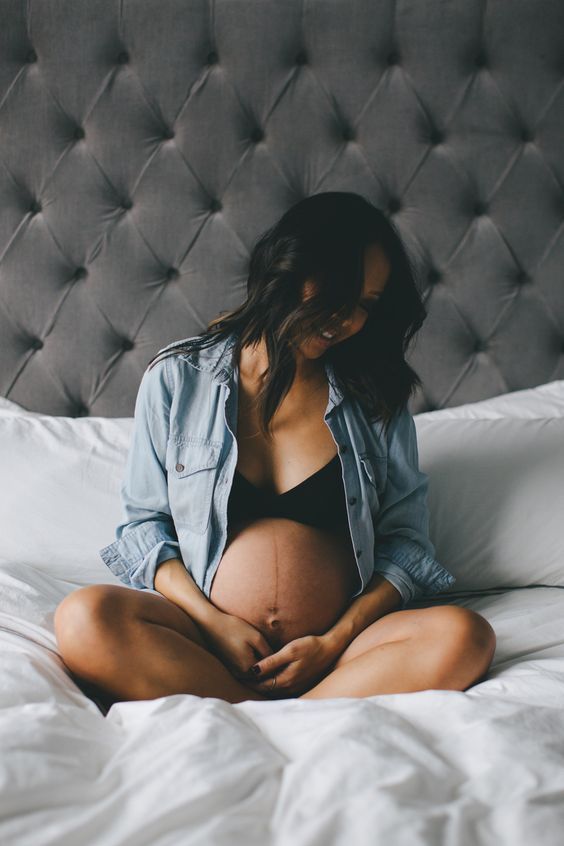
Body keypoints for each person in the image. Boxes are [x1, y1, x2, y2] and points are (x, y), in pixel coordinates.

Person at [54, 192, 496, 708]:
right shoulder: (177, 380)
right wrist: (214, 624)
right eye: (338, 292)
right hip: (209, 645)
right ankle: (270, 708)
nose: (347, 319)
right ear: (285, 269)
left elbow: (406, 546)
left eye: (366, 305)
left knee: (466, 635)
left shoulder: (375, 398)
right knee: (84, 618)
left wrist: (331, 643)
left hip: (339, 651)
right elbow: (145, 530)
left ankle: (286, 711)